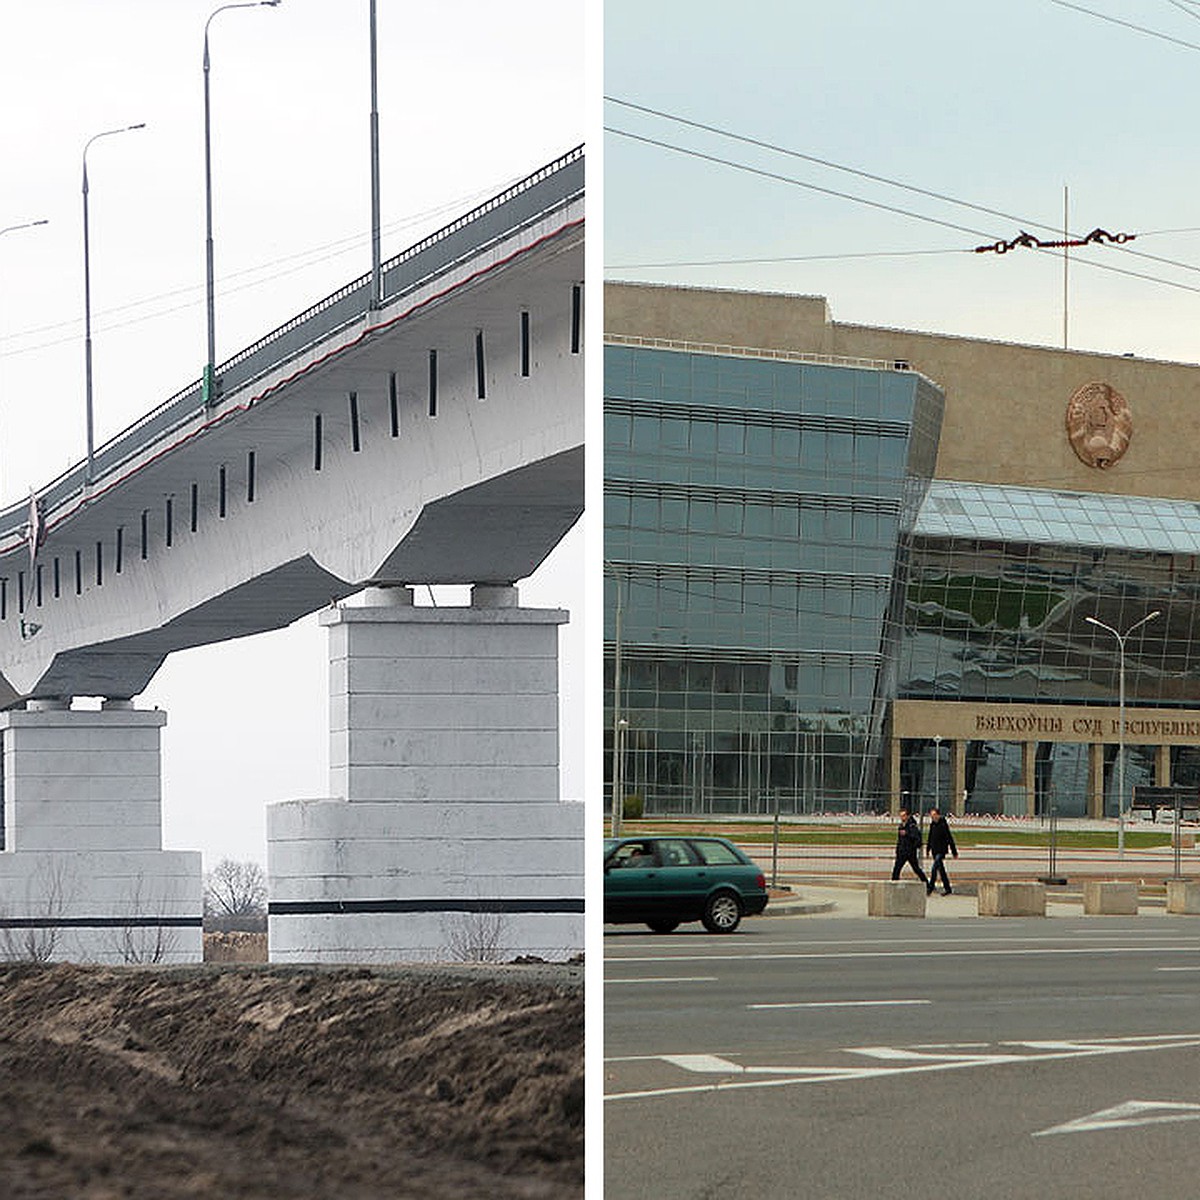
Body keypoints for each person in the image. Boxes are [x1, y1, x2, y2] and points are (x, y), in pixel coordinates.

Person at [925, 807, 958, 895]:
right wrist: (928, 848)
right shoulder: (932, 825)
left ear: (938, 815)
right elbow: (930, 837)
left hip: (941, 851)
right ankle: (948, 888)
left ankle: (930, 888)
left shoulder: (943, 825)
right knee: (941, 871)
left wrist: (954, 851)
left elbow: (949, 838)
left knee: (934, 869)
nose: (933, 817)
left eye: (934, 815)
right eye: (931, 815)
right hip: (934, 851)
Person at [891, 808, 929, 886]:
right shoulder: (901, 826)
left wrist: (907, 834)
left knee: (916, 869)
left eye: (904, 816)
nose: (902, 818)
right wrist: (898, 850)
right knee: (896, 869)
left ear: (908, 816)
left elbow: (917, 839)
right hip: (902, 852)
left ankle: (927, 884)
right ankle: (894, 885)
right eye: (901, 816)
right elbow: (900, 840)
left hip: (910, 852)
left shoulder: (912, 826)